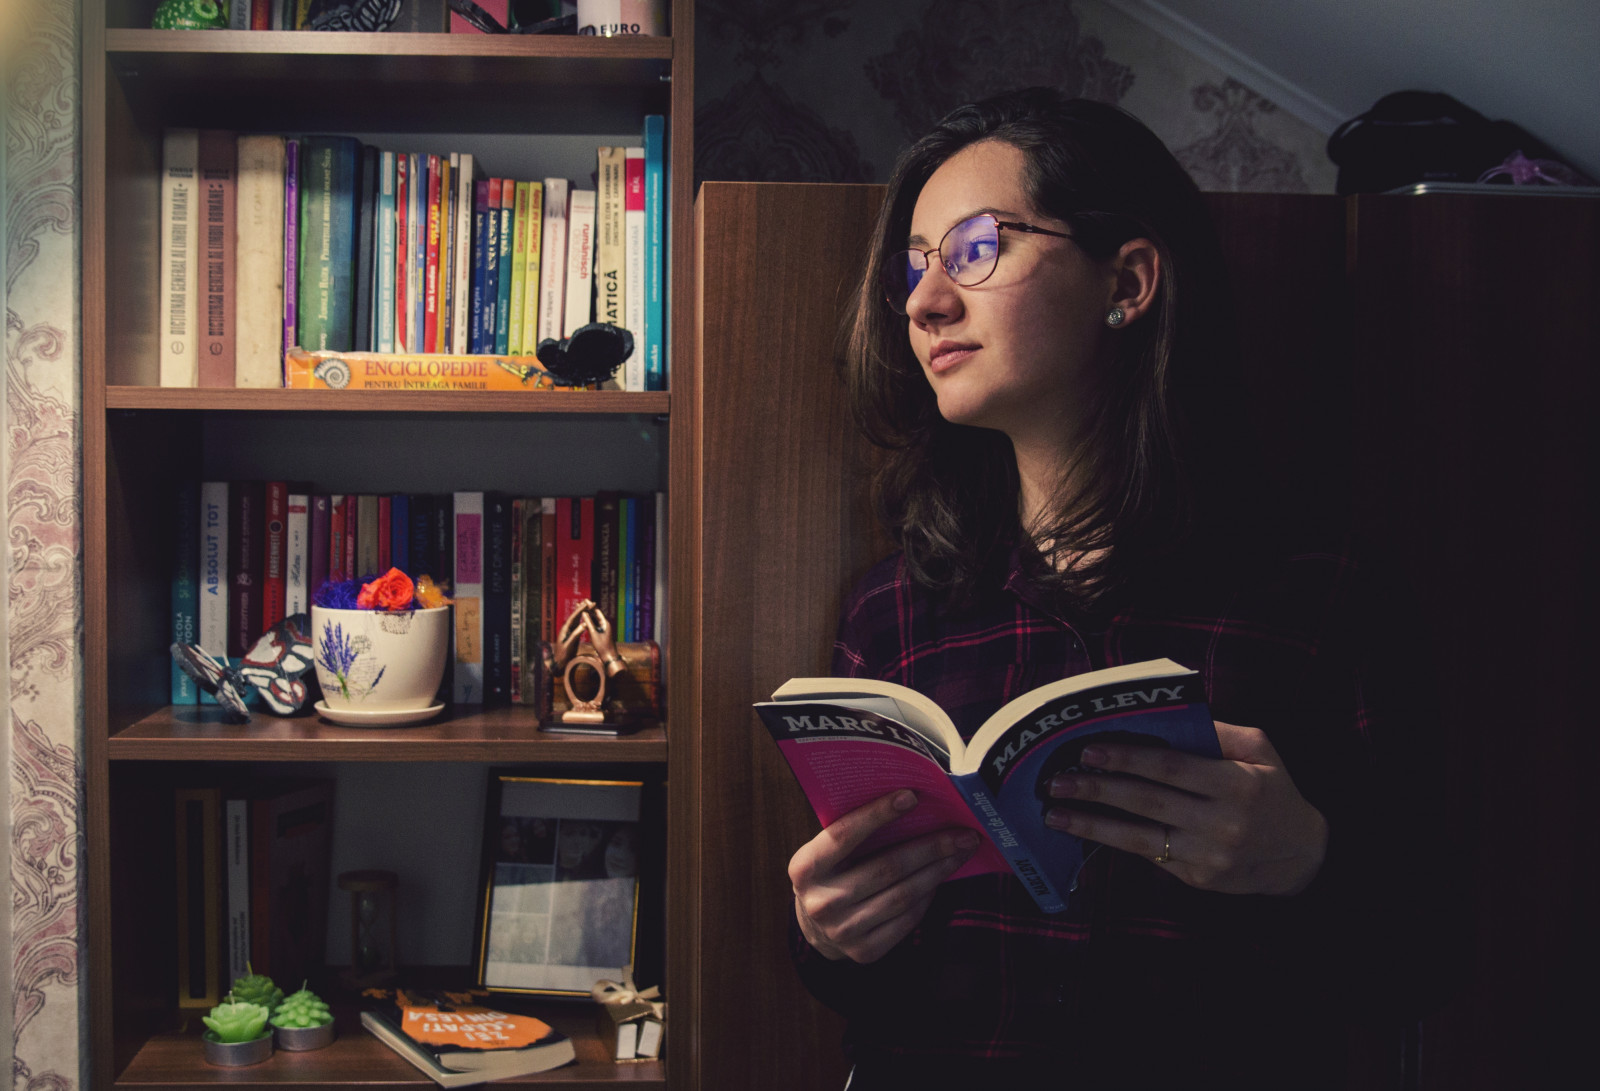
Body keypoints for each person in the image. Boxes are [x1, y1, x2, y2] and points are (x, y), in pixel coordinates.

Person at [785, 88, 1455, 1090]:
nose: (924, 300)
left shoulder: (1322, 600)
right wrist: (828, 933)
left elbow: (1420, 964)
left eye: (975, 247)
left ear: (1128, 280)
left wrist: (1306, 856)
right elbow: (877, 987)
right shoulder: (894, 612)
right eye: (914, 264)